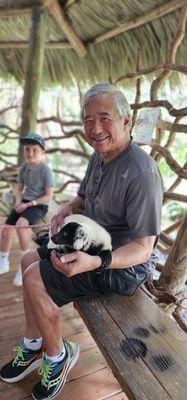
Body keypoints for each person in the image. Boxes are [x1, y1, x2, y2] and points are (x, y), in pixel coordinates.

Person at [0, 83, 163, 400]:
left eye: (105, 118)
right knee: (26, 261)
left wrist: (96, 262)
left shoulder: (142, 172)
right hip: (93, 241)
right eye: (88, 120)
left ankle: (57, 355)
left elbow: (144, 249)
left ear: (126, 121)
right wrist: (67, 208)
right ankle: (34, 346)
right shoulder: (100, 155)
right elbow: (83, 197)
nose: (95, 128)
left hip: (123, 265)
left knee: (35, 278)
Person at [0, 132, 54, 286]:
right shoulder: (24, 167)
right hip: (24, 201)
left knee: (21, 226)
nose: (30, 153)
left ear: (42, 152)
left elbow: (49, 196)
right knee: (4, 230)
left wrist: (27, 205)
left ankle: (24, 267)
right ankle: (3, 262)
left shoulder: (45, 171)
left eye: (34, 150)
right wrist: (18, 201)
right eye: (27, 149)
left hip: (38, 204)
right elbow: (19, 188)